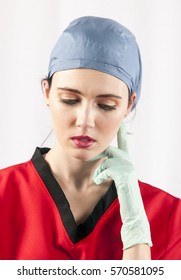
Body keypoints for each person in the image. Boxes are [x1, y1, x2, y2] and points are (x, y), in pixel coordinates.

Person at [0, 16, 180, 260]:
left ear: (129, 105)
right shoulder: (4, 193)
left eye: (105, 105)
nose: (85, 121)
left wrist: (136, 232)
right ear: (47, 92)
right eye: (70, 100)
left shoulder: (170, 217)